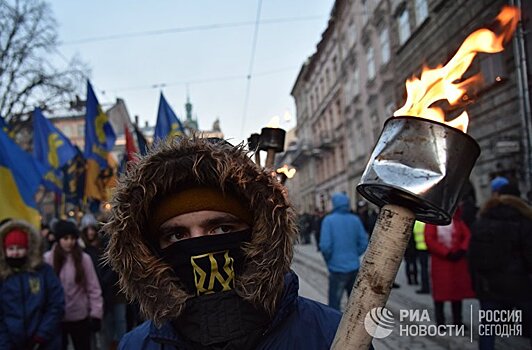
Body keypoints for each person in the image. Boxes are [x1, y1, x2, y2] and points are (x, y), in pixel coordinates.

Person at [104, 137, 342, 349]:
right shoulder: (135, 345)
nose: (198, 246)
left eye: (221, 228)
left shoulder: (333, 335)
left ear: (259, 232)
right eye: (177, 235)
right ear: (151, 249)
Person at [469, 182, 532, 349]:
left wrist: (476, 285)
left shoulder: (482, 221)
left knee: (488, 329)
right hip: (520, 285)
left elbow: (473, 258)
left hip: (489, 285)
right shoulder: (525, 221)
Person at [0, 219, 65, 350]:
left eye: (19, 248)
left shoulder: (43, 271)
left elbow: (56, 304)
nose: (15, 253)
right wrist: (5, 342)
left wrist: (41, 335)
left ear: (28, 249)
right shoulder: (2, 276)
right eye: (11, 249)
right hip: (10, 343)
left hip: (45, 341)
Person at [44, 219, 103, 350]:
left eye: (72, 238)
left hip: (79, 317)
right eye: (65, 238)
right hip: (57, 318)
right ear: (59, 239)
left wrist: (96, 314)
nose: (69, 242)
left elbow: (93, 288)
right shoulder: (48, 259)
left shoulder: (83, 259)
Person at [424, 209, 475, 326]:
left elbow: (467, 236)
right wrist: (446, 253)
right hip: (440, 263)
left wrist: (462, 250)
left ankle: (458, 320)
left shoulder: (457, 222)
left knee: (457, 293)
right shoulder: (432, 222)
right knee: (440, 294)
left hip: (456, 263)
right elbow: (430, 240)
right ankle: (440, 321)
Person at [319, 192, 369, 311]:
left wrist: (329, 260)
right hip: (353, 267)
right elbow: (364, 242)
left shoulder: (329, 221)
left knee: (334, 304)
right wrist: (354, 254)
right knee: (354, 304)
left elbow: (325, 246)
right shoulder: (355, 220)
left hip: (336, 268)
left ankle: (335, 327)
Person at [413, 220, 430, 294]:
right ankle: (426, 286)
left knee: (423, 269)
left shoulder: (417, 222)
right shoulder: (426, 223)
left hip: (420, 248)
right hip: (428, 247)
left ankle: (425, 287)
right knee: (426, 269)